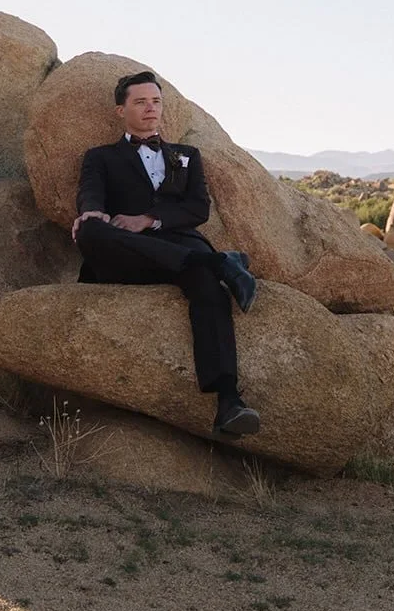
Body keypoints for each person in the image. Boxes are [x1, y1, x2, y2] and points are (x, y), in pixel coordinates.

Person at [72, 70, 261, 437]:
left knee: (208, 288)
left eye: (156, 101)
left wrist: (148, 220)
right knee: (91, 229)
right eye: (140, 102)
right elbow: (90, 190)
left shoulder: (187, 156)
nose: (150, 109)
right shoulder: (101, 157)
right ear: (120, 111)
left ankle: (228, 402)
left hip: (178, 249)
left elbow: (197, 209)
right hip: (128, 258)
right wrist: (92, 210)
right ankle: (221, 261)